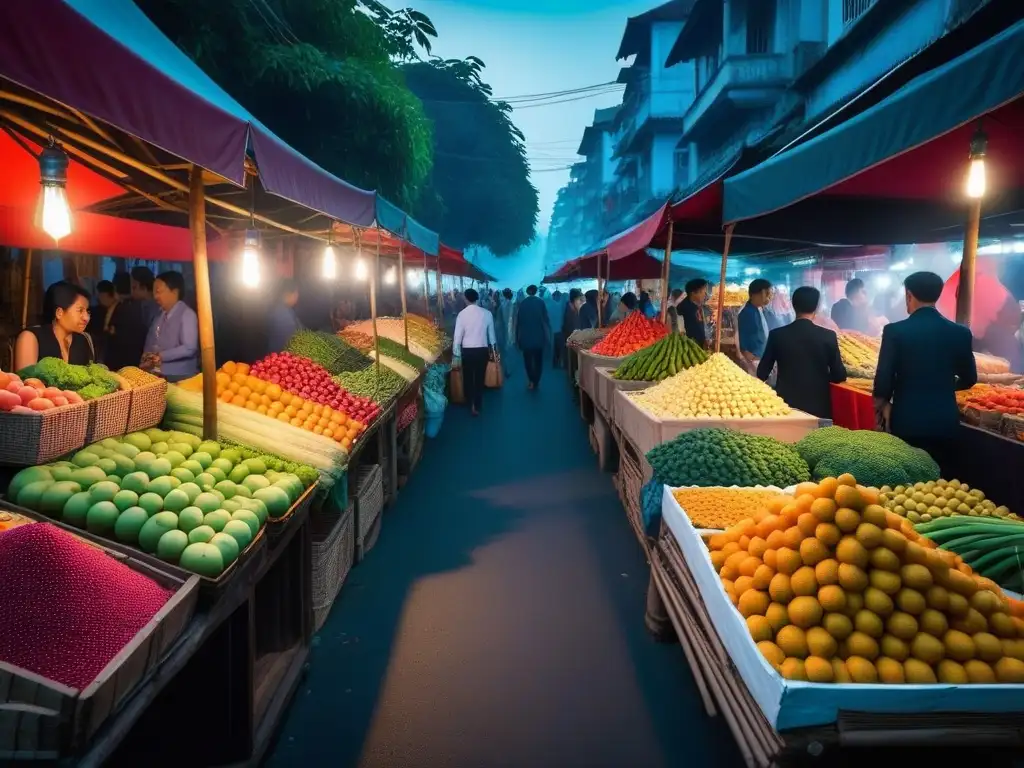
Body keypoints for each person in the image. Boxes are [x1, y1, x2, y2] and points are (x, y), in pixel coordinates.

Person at [873, 272, 977, 473]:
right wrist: (943, 386)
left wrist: (882, 404)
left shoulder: (895, 331)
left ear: (909, 295)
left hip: (907, 420)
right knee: (942, 482)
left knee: (910, 483)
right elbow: (970, 378)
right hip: (944, 422)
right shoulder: (960, 332)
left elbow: (884, 377)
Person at [757, 286, 846, 419]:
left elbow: (761, 373)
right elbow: (839, 375)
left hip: (786, 405)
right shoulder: (828, 336)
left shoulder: (777, 335)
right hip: (818, 406)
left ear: (794, 305)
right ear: (816, 307)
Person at [14, 281, 94, 370]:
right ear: (59, 312)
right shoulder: (30, 337)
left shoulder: (82, 340)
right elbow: (26, 380)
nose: (86, 318)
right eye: (80, 310)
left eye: (87, 311)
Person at [141, 271, 199, 382]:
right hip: (157, 375)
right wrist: (147, 358)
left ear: (174, 292)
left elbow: (189, 348)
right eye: (154, 292)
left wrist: (161, 356)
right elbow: (152, 339)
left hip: (180, 377)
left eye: (159, 291)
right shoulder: (159, 314)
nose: (155, 296)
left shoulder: (187, 314)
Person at [453, 288, 496, 416]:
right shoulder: (487, 314)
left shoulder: (462, 315)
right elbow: (492, 336)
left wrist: (456, 355)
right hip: (482, 351)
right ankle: (477, 405)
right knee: (479, 378)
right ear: (477, 298)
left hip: (467, 351)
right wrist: (494, 352)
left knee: (467, 377)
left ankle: (469, 401)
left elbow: (457, 338)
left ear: (466, 299)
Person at [516, 285, 551, 390]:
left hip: (525, 338)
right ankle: (536, 380)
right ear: (536, 292)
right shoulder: (541, 303)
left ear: (527, 292)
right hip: (539, 337)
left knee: (528, 361)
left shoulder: (522, 304)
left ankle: (531, 380)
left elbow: (518, 323)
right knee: (538, 360)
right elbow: (546, 319)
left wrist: (517, 338)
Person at [738, 278, 773, 370]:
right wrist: (751, 358)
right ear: (761, 293)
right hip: (753, 360)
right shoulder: (747, 312)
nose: (769, 298)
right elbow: (742, 338)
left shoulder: (758, 309)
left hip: (759, 356)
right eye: (768, 294)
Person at [266, 279, 303, 354]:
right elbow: (286, 344)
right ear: (289, 294)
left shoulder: (276, 308)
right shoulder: (283, 316)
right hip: (281, 359)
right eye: (297, 293)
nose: (297, 297)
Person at [678, 279, 709, 346]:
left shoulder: (697, 305)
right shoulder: (683, 308)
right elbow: (681, 331)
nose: (705, 294)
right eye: (702, 292)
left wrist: (704, 339)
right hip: (690, 346)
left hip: (700, 344)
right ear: (693, 293)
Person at [130, 266, 161, 331]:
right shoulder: (141, 304)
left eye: (134, 287)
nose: (132, 292)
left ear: (144, 288)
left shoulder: (156, 308)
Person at [558, 288, 583, 367]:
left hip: (570, 334)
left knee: (571, 356)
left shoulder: (568, 306)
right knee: (572, 357)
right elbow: (571, 325)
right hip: (571, 335)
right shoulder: (570, 309)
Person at [546, 289, 564, 366]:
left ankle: (555, 362)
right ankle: (558, 362)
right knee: (559, 347)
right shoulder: (560, 305)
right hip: (559, 329)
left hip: (551, 329)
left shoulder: (548, 306)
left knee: (554, 347)